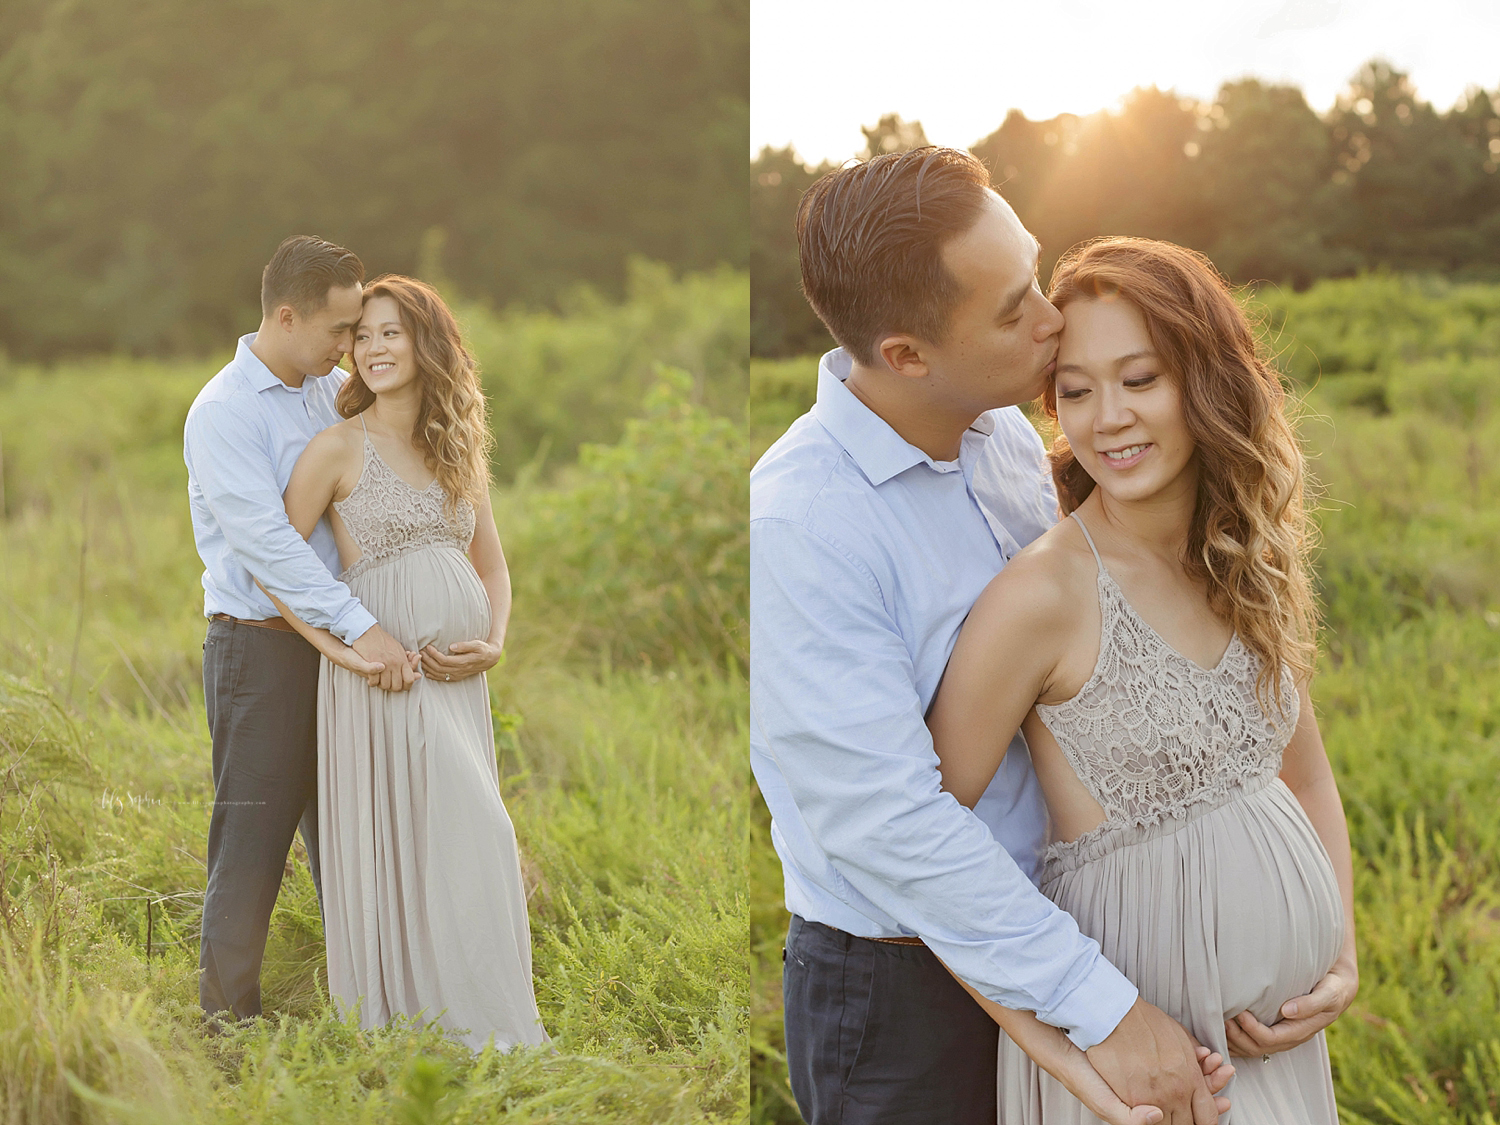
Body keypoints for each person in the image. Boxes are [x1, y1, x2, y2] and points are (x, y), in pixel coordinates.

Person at [750, 147, 1234, 1125]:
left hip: (1059, 927)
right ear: (906, 356)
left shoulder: (1005, 434)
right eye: (1015, 308)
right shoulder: (802, 521)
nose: (1055, 320)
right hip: (900, 992)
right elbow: (887, 827)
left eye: (1035, 272)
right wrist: (1105, 1010)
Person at [927, 236, 1358, 1124]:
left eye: (1140, 378)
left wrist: (1340, 952)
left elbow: (1304, 773)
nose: (1107, 418)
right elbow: (925, 845)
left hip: (1287, 1050)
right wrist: (1065, 1041)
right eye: (1076, 391)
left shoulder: (1244, 557)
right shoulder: (1042, 596)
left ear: (1207, 382)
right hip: (1145, 1068)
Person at [260, 274, 548, 1052]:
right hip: (384, 680)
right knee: (460, 834)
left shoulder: (456, 447)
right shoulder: (337, 447)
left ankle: (469, 1026)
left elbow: (493, 568)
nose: (374, 347)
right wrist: (345, 652)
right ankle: (413, 1022)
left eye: (391, 332)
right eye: (363, 335)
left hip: (458, 681)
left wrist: (495, 638)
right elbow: (275, 567)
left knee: (458, 837)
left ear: (426, 343)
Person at [184, 235, 417, 1026]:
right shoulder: (222, 413)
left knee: (348, 834)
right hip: (259, 651)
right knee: (251, 845)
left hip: (343, 645)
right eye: (339, 329)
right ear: (286, 316)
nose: (351, 346)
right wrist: (364, 627)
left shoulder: (329, 389)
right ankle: (226, 1030)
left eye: (359, 330)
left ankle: (365, 1007)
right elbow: (270, 546)